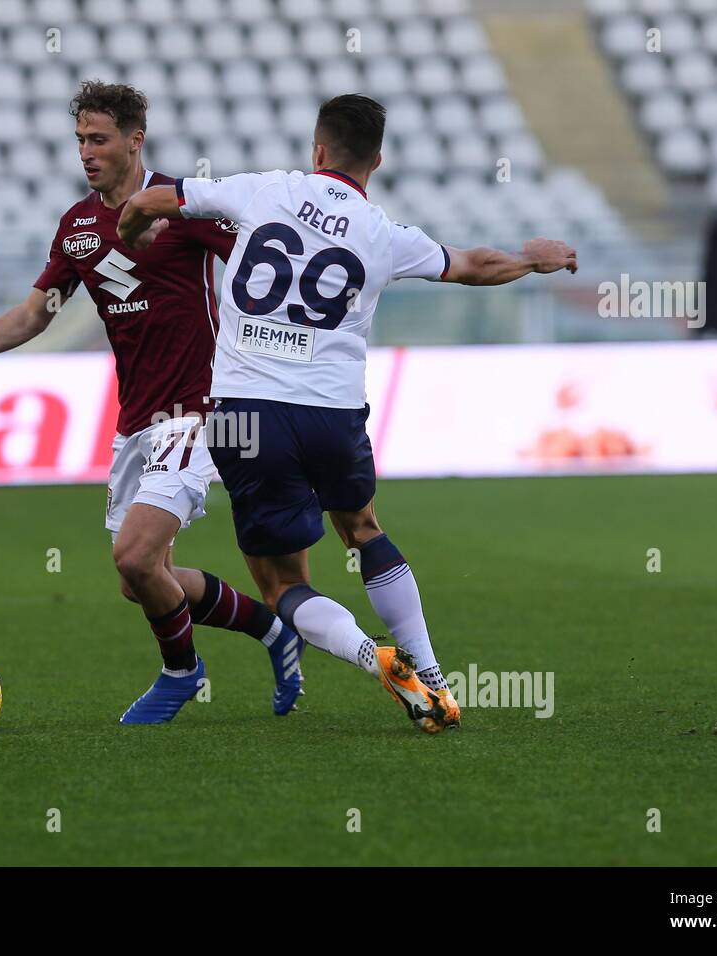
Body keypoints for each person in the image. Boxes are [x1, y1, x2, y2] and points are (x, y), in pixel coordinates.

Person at [117, 93, 577, 732]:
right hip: (332, 413)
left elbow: (147, 201)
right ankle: (434, 673)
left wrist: (133, 231)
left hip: (246, 415)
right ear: (378, 160)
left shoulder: (265, 191)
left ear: (318, 150)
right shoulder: (384, 233)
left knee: (280, 586)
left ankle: (372, 656)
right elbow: (473, 264)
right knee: (362, 527)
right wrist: (534, 259)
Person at [0, 81, 304, 724]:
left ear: (134, 140)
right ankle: (274, 632)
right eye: (81, 139)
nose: (86, 151)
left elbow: (263, 265)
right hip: (136, 421)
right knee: (140, 579)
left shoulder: (183, 206)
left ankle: (181, 674)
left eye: (99, 139)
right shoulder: (78, 226)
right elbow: (37, 314)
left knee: (135, 554)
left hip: (197, 412)